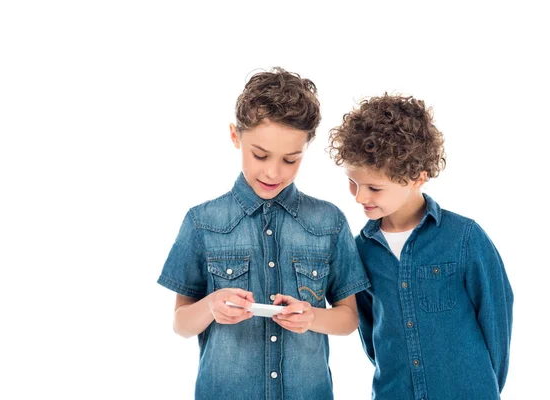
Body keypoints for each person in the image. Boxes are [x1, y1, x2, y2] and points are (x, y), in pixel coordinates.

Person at [157, 67, 370, 400]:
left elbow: (348, 319)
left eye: (290, 159)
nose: (273, 171)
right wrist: (211, 306)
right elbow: (181, 324)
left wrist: (312, 317)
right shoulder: (202, 221)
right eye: (260, 155)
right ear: (234, 136)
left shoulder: (329, 222)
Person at [328, 93, 514, 399]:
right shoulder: (361, 250)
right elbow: (371, 333)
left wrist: (485, 387)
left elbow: (496, 321)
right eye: (353, 182)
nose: (359, 197)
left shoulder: (465, 238)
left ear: (417, 177)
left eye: (374, 187)